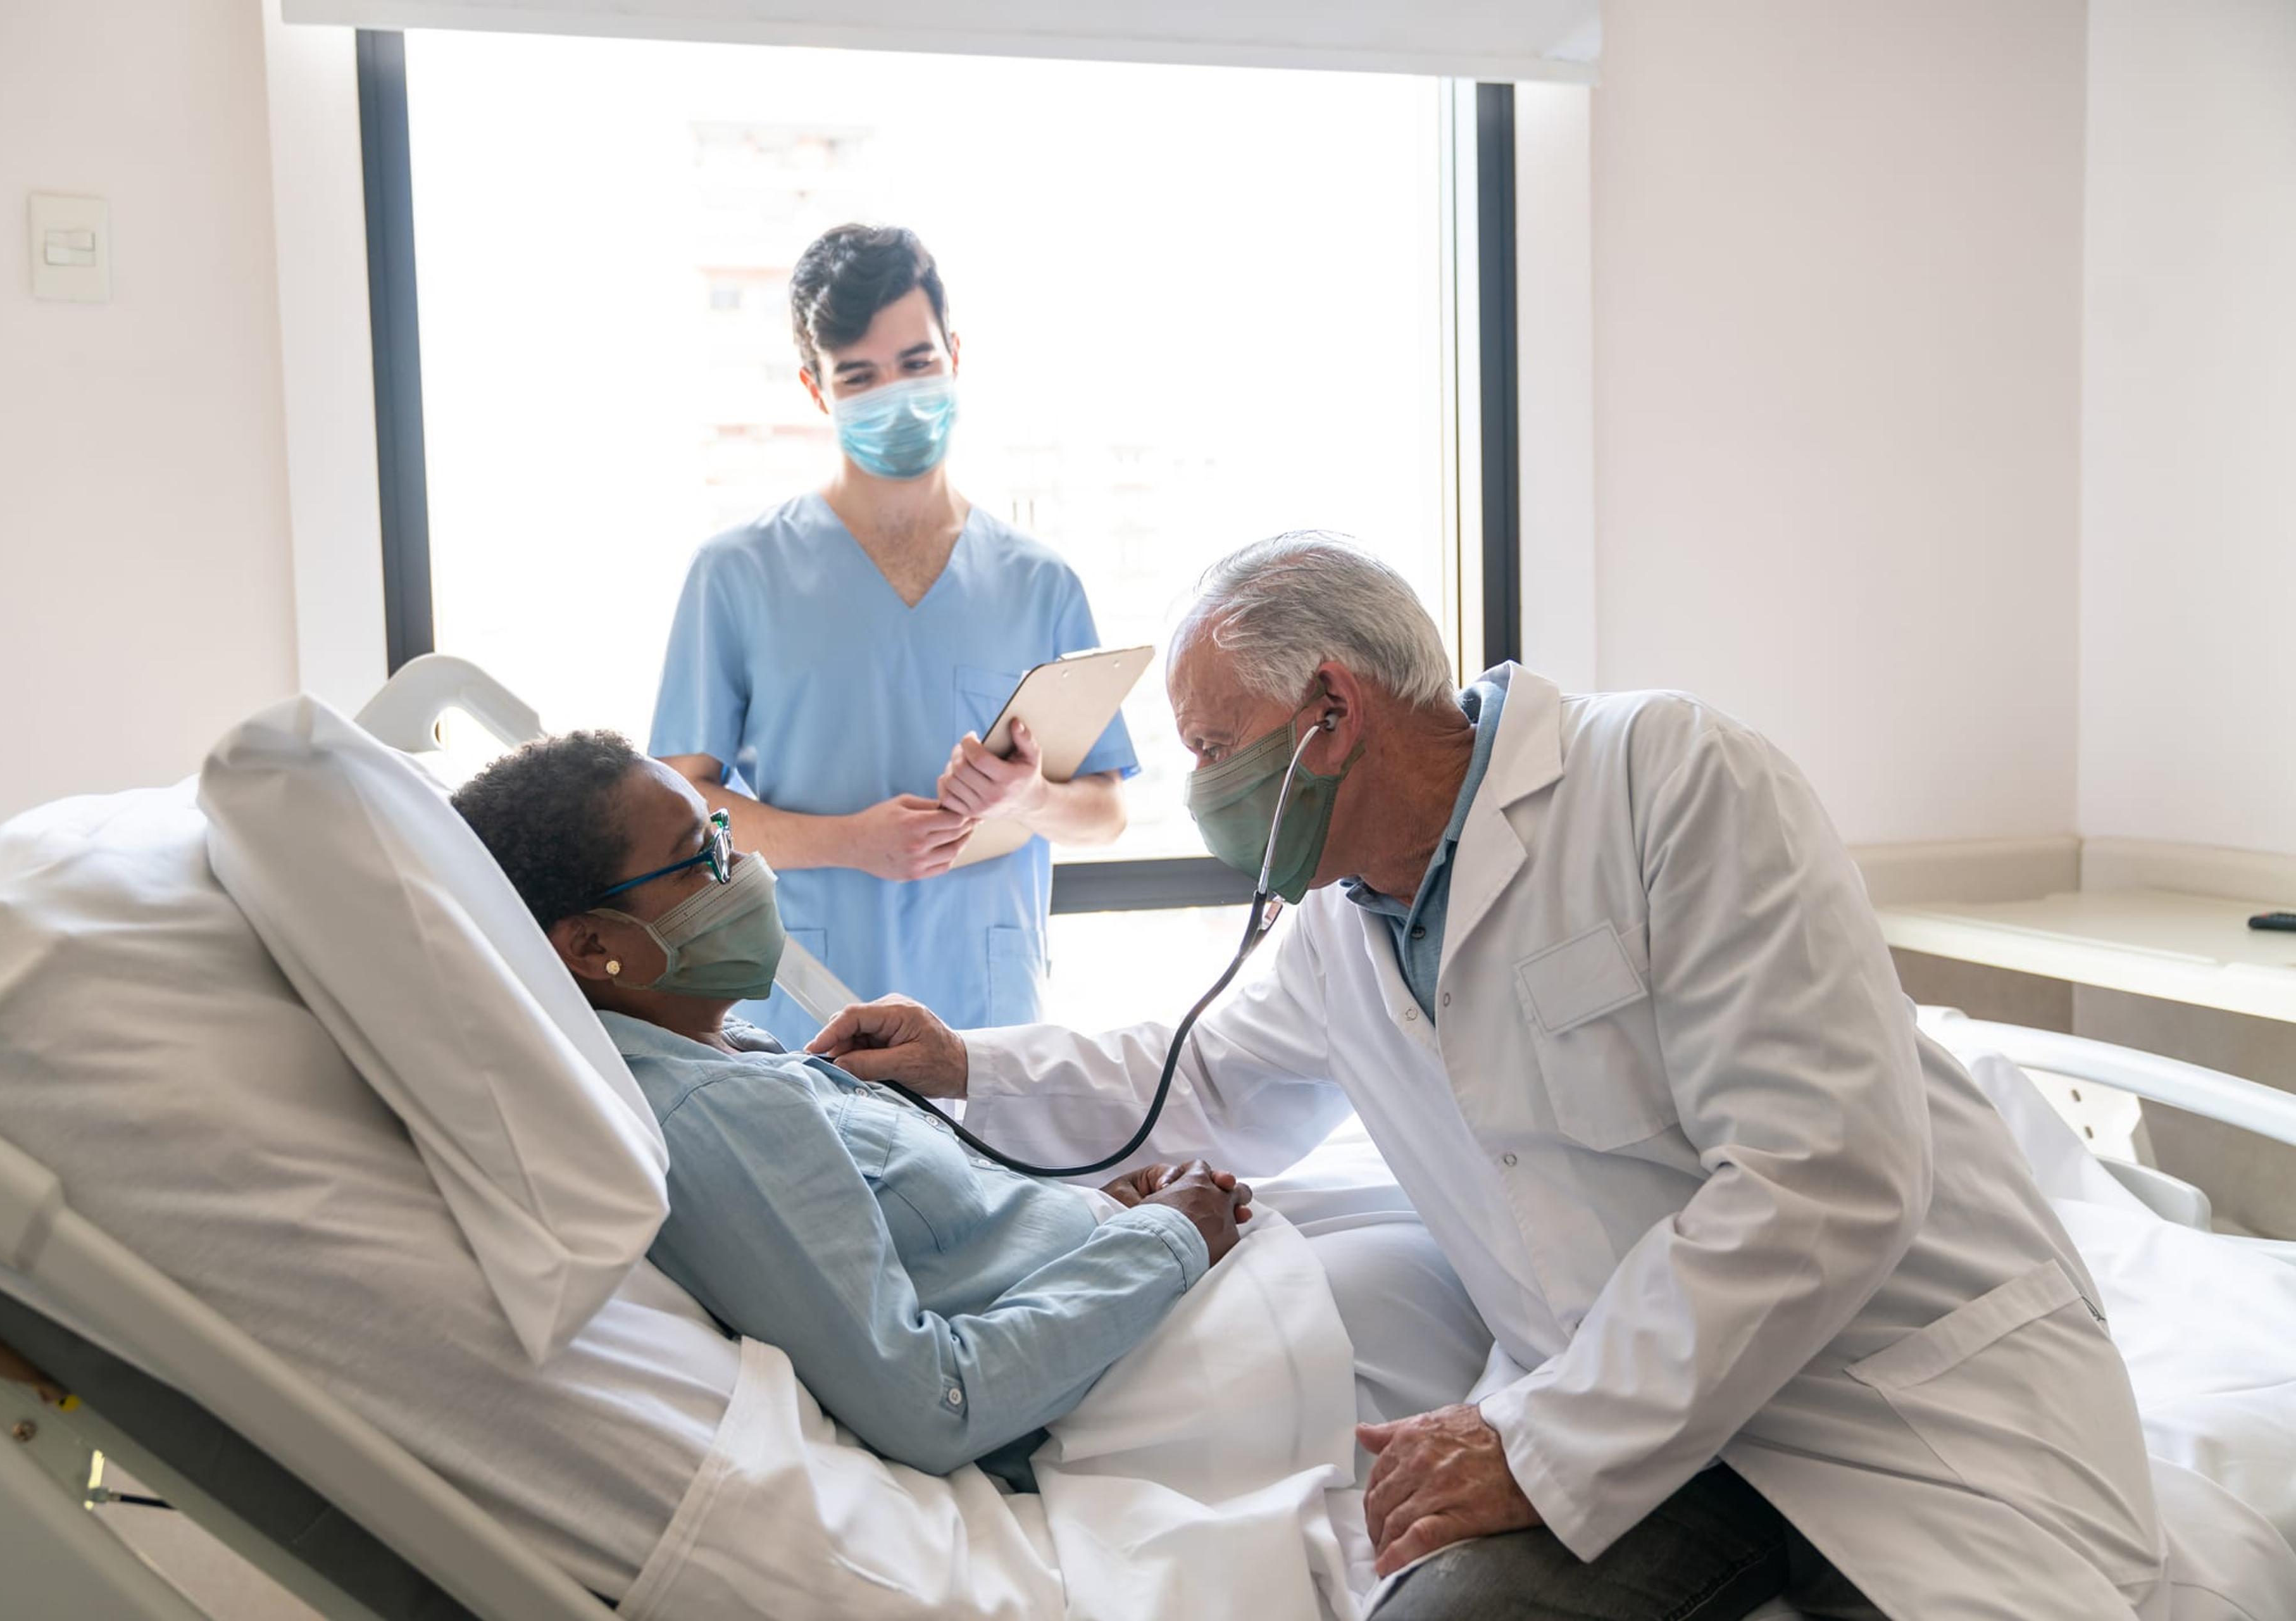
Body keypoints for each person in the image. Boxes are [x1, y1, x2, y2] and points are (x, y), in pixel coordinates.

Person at [806, 534, 2172, 1621]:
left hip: (1890, 1402)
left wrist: (1533, 1445)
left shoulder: (1667, 780)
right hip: (1646, 1421)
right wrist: (964, 1063)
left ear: (1331, 710)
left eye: (1217, 748)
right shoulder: (1344, 925)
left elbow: (1827, 1173)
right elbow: (1206, 1078)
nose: (1205, 792)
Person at [448, 730, 1227, 1487]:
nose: (747, 865)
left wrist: (1088, 1214)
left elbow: (933, 1241)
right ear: (589, 947)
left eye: (725, 832)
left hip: (1125, 1295)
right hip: (1136, 1373)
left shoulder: (715, 1047)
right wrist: (1168, 1238)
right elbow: (934, 1402)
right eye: (702, 858)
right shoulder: (712, 1111)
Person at [652, 223, 1134, 1048]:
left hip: (990, 1024)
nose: (897, 395)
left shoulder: (1039, 583)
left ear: (954, 353)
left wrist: (1033, 798)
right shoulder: (737, 575)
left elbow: (1108, 813)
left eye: (916, 364)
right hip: (806, 1015)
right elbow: (686, 819)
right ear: (815, 389)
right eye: (860, 377)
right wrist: (845, 843)